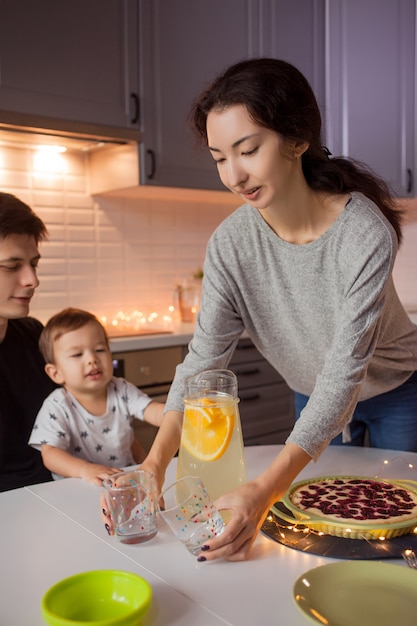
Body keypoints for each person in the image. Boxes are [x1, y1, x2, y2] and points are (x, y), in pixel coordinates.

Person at [102, 58, 417, 559]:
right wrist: (155, 462)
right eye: (219, 158)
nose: (234, 175)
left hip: (397, 391)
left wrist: (263, 489)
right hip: (309, 395)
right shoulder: (232, 244)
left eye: (248, 150)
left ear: (297, 140)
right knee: (323, 529)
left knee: (395, 534)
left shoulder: (363, 233)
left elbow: (343, 376)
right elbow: (204, 357)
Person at [29, 307, 165, 485]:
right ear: (55, 373)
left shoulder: (121, 389)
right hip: (78, 485)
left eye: (100, 349)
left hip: (123, 482)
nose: (92, 359)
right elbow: (51, 455)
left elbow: (153, 411)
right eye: (77, 354)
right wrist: (84, 470)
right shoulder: (57, 405)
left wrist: (185, 413)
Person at [0, 192, 57, 491]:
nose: (32, 279)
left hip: (58, 494)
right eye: (12, 266)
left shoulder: (34, 335)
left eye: (33, 263)